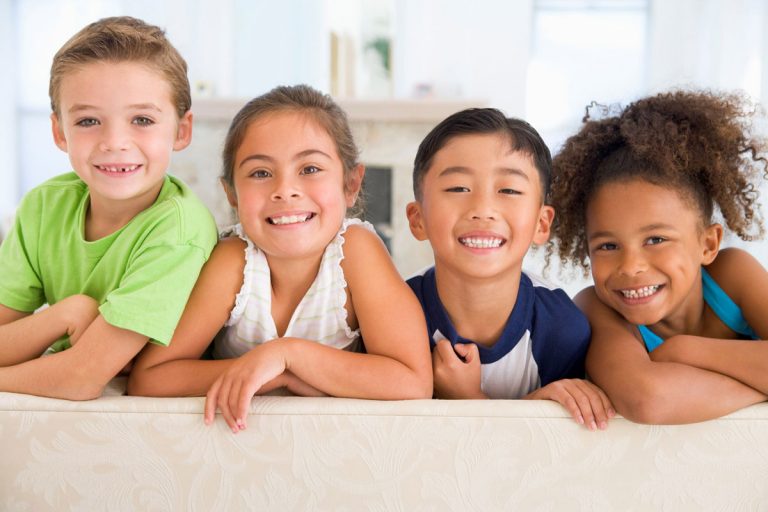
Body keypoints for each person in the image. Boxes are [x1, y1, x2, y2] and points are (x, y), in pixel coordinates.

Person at [128, 85, 433, 432]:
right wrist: (273, 375)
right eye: (260, 173)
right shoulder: (234, 262)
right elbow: (150, 378)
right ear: (232, 194)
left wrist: (287, 355)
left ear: (350, 184)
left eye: (310, 169)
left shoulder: (356, 251)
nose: (285, 190)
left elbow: (413, 382)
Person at [0, 17, 218, 399]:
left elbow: (82, 378)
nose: (115, 142)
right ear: (59, 132)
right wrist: (66, 314)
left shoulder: (179, 232)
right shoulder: (43, 207)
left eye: (142, 120)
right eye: (88, 120)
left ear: (181, 131)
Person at [548, 90, 768, 424]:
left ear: (708, 244)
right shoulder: (596, 308)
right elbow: (648, 400)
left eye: (656, 239)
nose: (631, 266)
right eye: (608, 246)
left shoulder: (732, 274)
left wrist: (686, 351)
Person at [405, 108, 614, 430]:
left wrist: (467, 398)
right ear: (418, 219)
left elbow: (550, 451)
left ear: (541, 223)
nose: (483, 210)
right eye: (458, 188)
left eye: (509, 191)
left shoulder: (561, 328)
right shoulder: (392, 313)